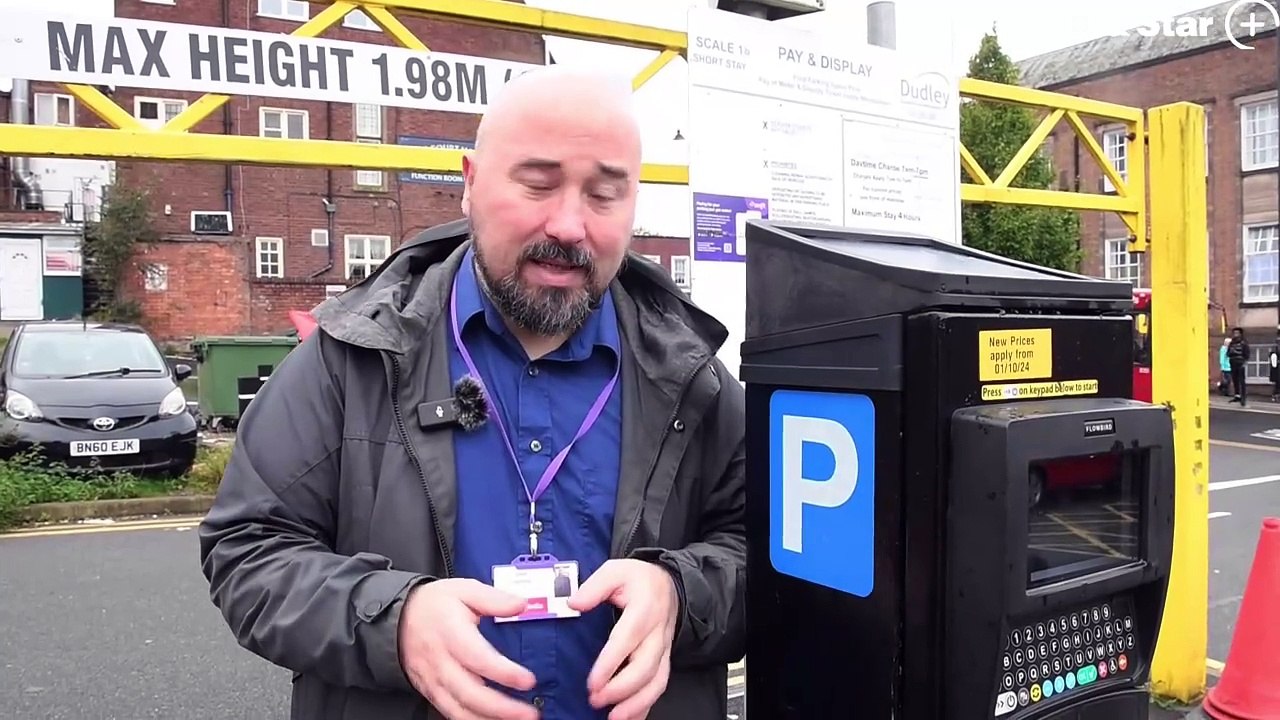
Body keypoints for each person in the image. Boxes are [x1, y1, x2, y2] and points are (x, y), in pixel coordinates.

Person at [197, 65, 746, 720]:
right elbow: (248, 549)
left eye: (604, 195)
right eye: (538, 184)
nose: (569, 225)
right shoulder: (349, 361)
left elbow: (769, 556)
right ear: (470, 184)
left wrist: (683, 594)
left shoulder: (695, 379)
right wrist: (389, 620)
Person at [1226, 327, 1249, 406]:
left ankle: (1243, 398)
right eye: (1234, 333)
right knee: (1235, 380)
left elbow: (1247, 354)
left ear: (1240, 334)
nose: (1235, 335)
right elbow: (1228, 353)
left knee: (1241, 381)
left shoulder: (1243, 343)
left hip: (1240, 363)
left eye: (1237, 333)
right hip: (1233, 363)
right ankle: (1237, 396)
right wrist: (1230, 352)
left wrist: (1244, 362)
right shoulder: (1232, 343)